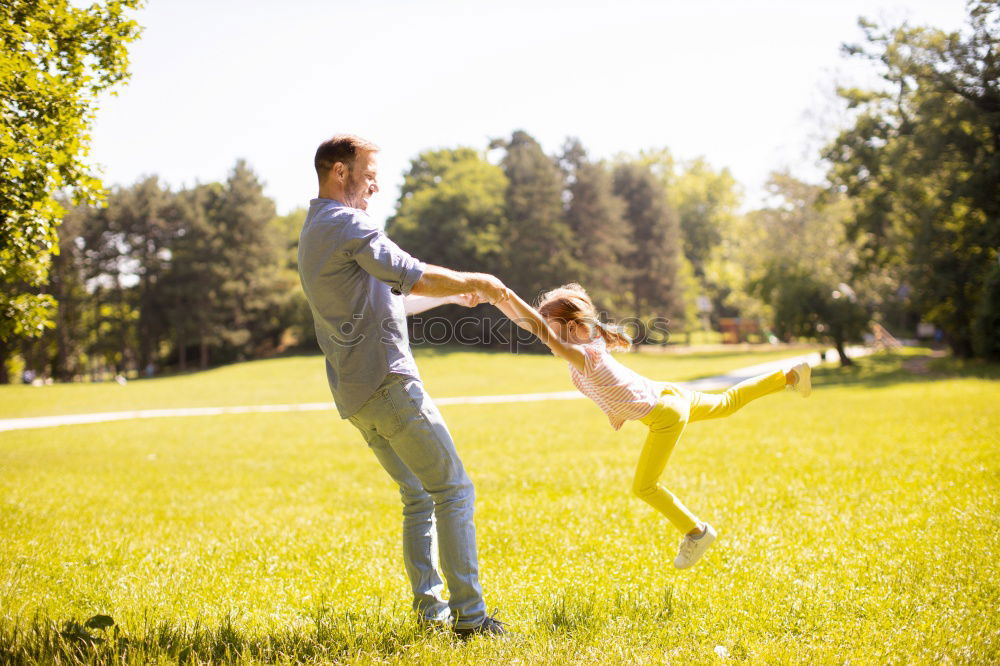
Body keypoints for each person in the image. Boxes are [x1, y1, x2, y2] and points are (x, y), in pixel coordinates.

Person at [297, 134, 510, 637]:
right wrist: (472, 279)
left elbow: (391, 296)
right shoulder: (348, 222)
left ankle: (430, 611)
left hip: (356, 394)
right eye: (369, 171)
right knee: (453, 489)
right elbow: (407, 273)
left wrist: (453, 298)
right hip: (390, 383)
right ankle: (472, 620)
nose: (377, 182)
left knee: (418, 496)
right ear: (338, 171)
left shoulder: (315, 230)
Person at [496, 283, 812, 570]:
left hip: (663, 412)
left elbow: (539, 330)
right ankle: (789, 376)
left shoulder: (584, 355)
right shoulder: (590, 345)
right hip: (667, 395)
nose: (549, 339)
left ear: (575, 327)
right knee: (728, 402)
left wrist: (501, 294)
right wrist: (496, 296)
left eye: (554, 331)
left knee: (644, 487)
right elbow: (537, 327)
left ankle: (697, 532)